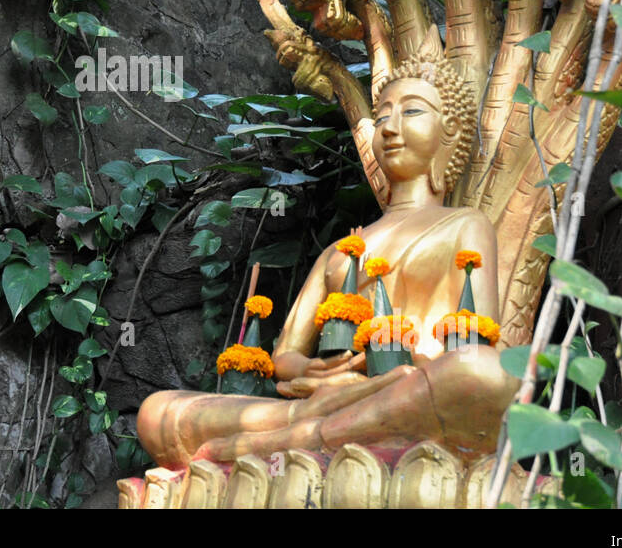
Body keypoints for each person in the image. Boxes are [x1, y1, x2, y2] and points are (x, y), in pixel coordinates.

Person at [136, 55, 519, 470]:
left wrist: (393, 369)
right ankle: (315, 427)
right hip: (324, 400)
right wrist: (317, 371)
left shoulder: (466, 225)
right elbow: (284, 359)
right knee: (157, 412)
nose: (390, 127)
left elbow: (480, 340)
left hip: (414, 385)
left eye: (411, 111)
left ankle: (298, 439)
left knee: (480, 374)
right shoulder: (338, 250)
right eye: (383, 115)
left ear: (451, 132)